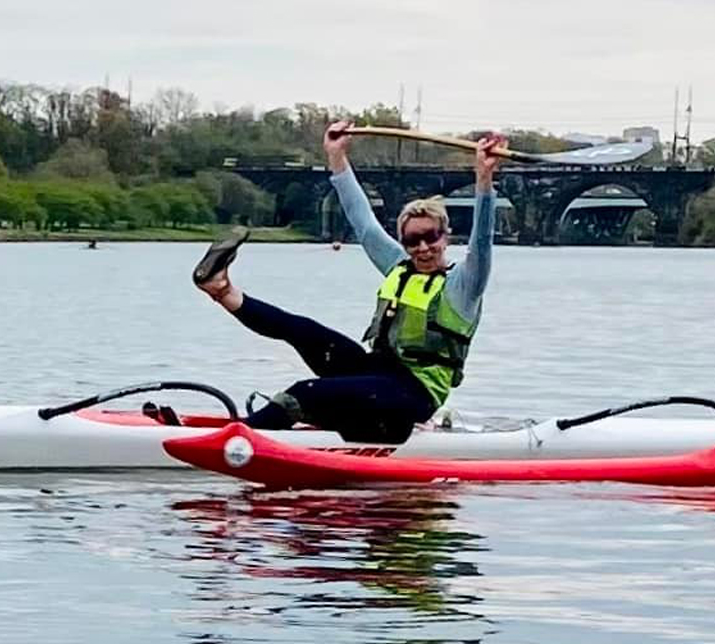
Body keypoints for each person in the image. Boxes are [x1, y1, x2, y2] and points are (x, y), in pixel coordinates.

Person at [193, 121, 505, 442]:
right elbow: (362, 220)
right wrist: (336, 156)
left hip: (414, 393)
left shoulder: (464, 285)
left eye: (430, 237)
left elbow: (482, 240)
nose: (422, 248)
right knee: (301, 329)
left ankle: (239, 439)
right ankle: (222, 289)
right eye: (413, 240)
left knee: (303, 392)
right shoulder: (399, 266)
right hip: (376, 374)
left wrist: (484, 178)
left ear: (445, 236)